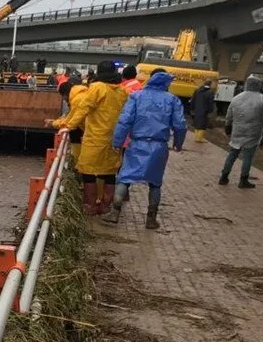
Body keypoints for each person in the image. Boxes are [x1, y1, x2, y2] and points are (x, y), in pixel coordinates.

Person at [102, 71, 187, 230]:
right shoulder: (172, 100)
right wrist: (178, 143)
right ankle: (151, 219)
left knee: (125, 177)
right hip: (159, 146)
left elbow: (124, 121)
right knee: (155, 183)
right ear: (165, 84)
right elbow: (180, 125)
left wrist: (118, 141)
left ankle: (114, 213)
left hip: (137, 144)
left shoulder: (136, 97)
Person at [49, 61, 127, 214]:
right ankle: (105, 206)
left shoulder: (97, 88)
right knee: (109, 173)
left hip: (95, 137)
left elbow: (83, 109)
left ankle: (90, 205)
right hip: (114, 138)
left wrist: (68, 126)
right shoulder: (122, 91)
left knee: (88, 171)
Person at [219, 75, 263, 188]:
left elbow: (229, 115)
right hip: (253, 131)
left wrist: (228, 127)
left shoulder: (237, 98)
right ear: (259, 86)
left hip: (237, 130)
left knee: (232, 153)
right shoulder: (262, 99)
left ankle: (224, 176)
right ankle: (243, 179)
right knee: (248, 156)